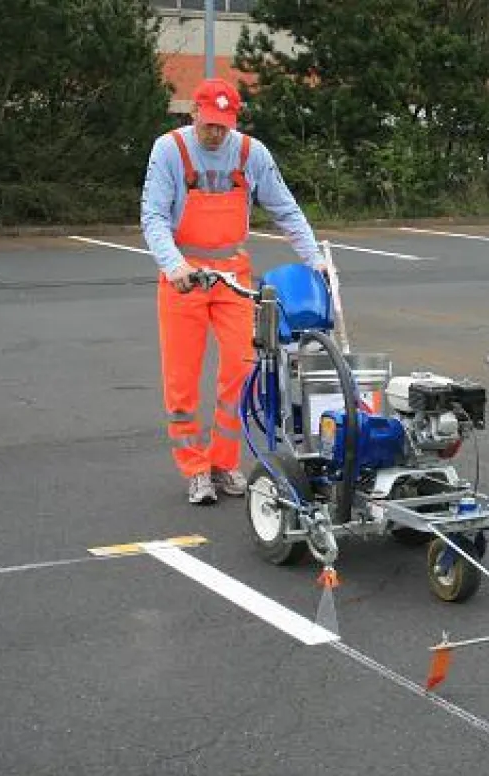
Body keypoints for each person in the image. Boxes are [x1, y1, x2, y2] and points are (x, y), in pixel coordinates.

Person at [141, 77, 325, 505]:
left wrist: (315, 259)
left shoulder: (250, 154)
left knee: (242, 368)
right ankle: (194, 467)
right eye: (208, 124)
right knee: (182, 377)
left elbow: (285, 209)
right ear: (194, 116)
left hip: (232, 275)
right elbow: (152, 216)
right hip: (184, 275)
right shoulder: (170, 150)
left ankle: (224, 463)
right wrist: (174, 265)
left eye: (223, 124)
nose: (216, 132)